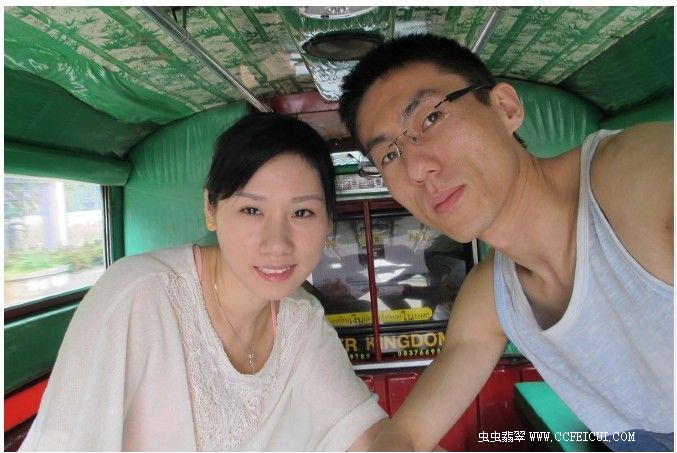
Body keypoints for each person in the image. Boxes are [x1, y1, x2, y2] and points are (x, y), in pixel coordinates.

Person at [338, 34, 673, 451]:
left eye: (431, 118)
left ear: (505, 107)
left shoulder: (637, 177)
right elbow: (407, 435)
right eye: (389, 155)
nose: (417, 168)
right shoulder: (491, 297)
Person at [20, 112, 387, 451]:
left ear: (328, 221)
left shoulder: (300, 319)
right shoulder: (137, 296)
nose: (277, 243)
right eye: (251, 210)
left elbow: (367, 437)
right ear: (210, 208)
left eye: (302, 212)